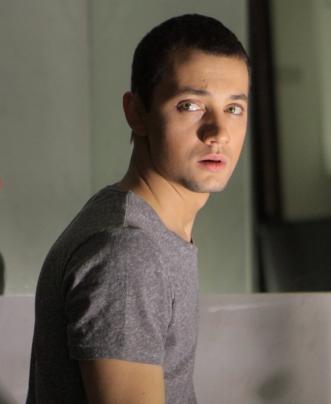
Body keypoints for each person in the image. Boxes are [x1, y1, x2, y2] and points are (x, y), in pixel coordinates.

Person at [26, 13, 250, 404]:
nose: (218, 133)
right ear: (136, 112)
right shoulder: (129, 254)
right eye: (190, 105)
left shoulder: (148, 233)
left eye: (234, 108)